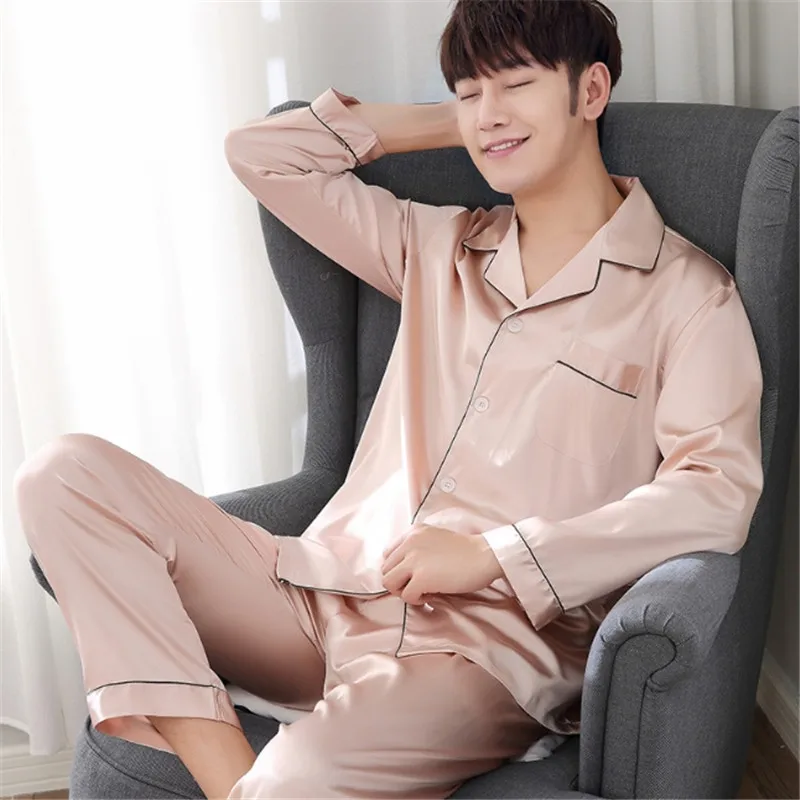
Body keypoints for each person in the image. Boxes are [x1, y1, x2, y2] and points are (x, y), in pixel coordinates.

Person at [14, 0, 764, 798]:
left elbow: (717, 494)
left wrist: (499, 554)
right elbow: (261, 155)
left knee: (295, 782)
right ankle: (228, 770)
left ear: (591, 91)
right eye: (468, 90)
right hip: (325, 594)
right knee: (61, 476)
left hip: (486, 652)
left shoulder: (688, 297)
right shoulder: (436, 245)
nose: (488, 110)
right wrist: (473, 121)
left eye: (516, 82)